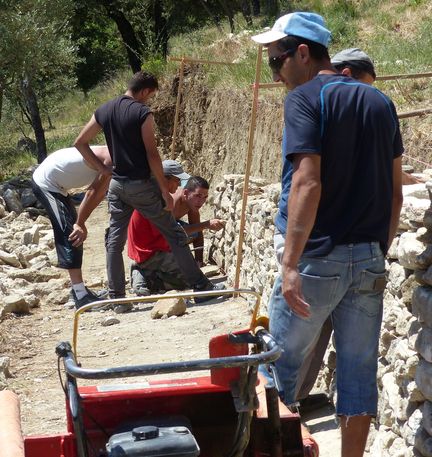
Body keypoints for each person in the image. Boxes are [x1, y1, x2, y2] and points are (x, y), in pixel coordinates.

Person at [252, 12, 403, 457]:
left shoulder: (304, 99)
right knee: (358, 374)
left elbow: (307, 183)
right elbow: (395, 194)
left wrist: (291, 263)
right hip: (369, 260)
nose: (276, 73)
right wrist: (378, 248)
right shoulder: (380, 102)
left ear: (303, 53)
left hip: (317, 259)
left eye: (276, 61)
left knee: (274, 369)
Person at [73, 71, 223, 305]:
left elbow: (80, 142)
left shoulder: (105, 109)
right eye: (150, 95)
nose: (149, 100)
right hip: (141, 184)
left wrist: (103, 170)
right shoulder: (142, 112)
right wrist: (164, 189)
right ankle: (201, 288)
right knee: (174, 234)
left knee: (114, 241)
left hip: (116, 185)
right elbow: (152, 154)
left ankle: (117, 299)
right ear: (144, 91)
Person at [32, 145, 111, 308]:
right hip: (45, 183)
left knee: (74, 229)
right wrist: (80, 224)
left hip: (59, 185)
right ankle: (80, 296)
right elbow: (92, 193)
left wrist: (81, 222)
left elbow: (100, 194)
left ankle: (79, 290)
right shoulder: (111, 160)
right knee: (71, 234)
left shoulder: (116, 154)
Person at [128, 168, 225, 295]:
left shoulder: (189, 202)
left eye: (205, 197)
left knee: (192, 238)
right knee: (189, 280)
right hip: (148, 249)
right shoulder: (167, 201)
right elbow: (172, 233)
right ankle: (144, 275)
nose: (201, 201)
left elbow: (195, 229)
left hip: (155, 241)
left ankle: (147, 272)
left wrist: (198, 261)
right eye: (176, 180)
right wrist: (206, 225)